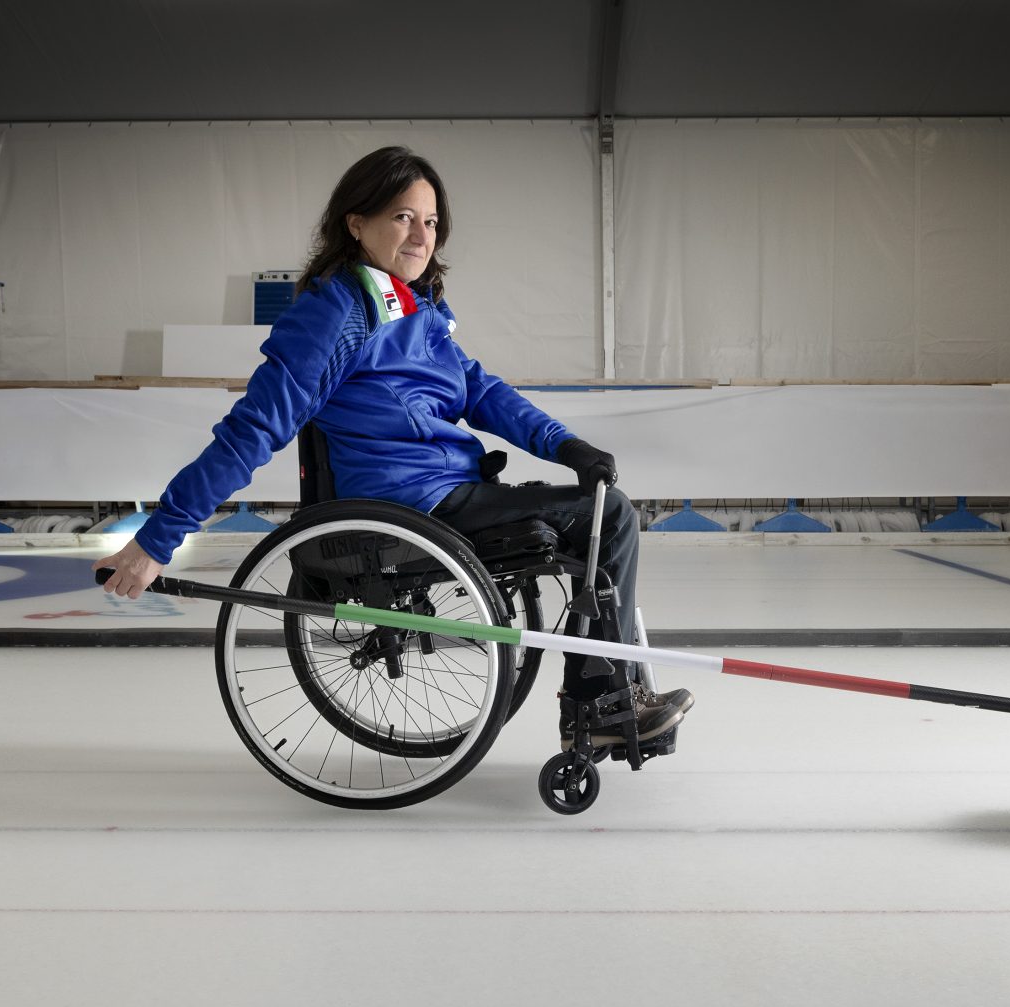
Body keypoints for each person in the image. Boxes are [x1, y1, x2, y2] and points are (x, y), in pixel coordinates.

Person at [95, 145, 692, 749]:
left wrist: (566, 445)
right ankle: (601, 709)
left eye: (430, 222)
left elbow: (478, 389)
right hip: (408, 504)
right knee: (611, 518)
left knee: (600, 514)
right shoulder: (338, 310)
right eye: (403, 217)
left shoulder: (414, 306)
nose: (421, 235)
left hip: (445, 489)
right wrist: (158, 539)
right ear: (356, 223)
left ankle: (604, 701)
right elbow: (255, 426)